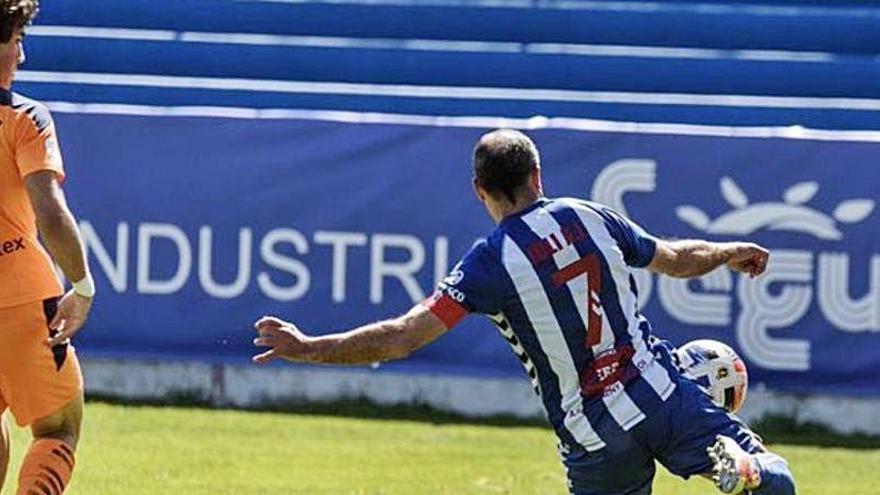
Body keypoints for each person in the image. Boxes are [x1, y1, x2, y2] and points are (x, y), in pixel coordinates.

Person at [251, 129, 796, 494]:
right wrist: (729, 251)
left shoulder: (489, 263)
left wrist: (307, 348)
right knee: (778, 479)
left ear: (479, 191)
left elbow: (401, 338)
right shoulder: (592, 217)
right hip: (657, 391)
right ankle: (747, 470)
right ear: (538, 176)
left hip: (592, 434)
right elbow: (676, 258)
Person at [0, 1, 94, 493]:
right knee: (59, 429)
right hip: (19, 297)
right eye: (17, 39)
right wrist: (81, 284)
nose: (22, 54)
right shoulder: (24, 119)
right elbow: (50, 211)